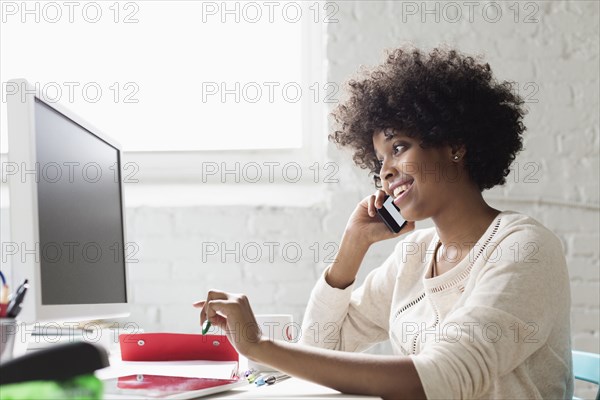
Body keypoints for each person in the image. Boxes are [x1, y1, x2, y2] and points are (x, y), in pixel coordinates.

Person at [193, 46, 573, 399]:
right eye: (379, 161)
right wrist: (351, 249)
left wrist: (259, 344)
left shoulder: (524, 248)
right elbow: (321, 349)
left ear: (455, 144)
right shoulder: (414, 255)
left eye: (399, 148)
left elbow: (441, 378)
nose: (386, 171)